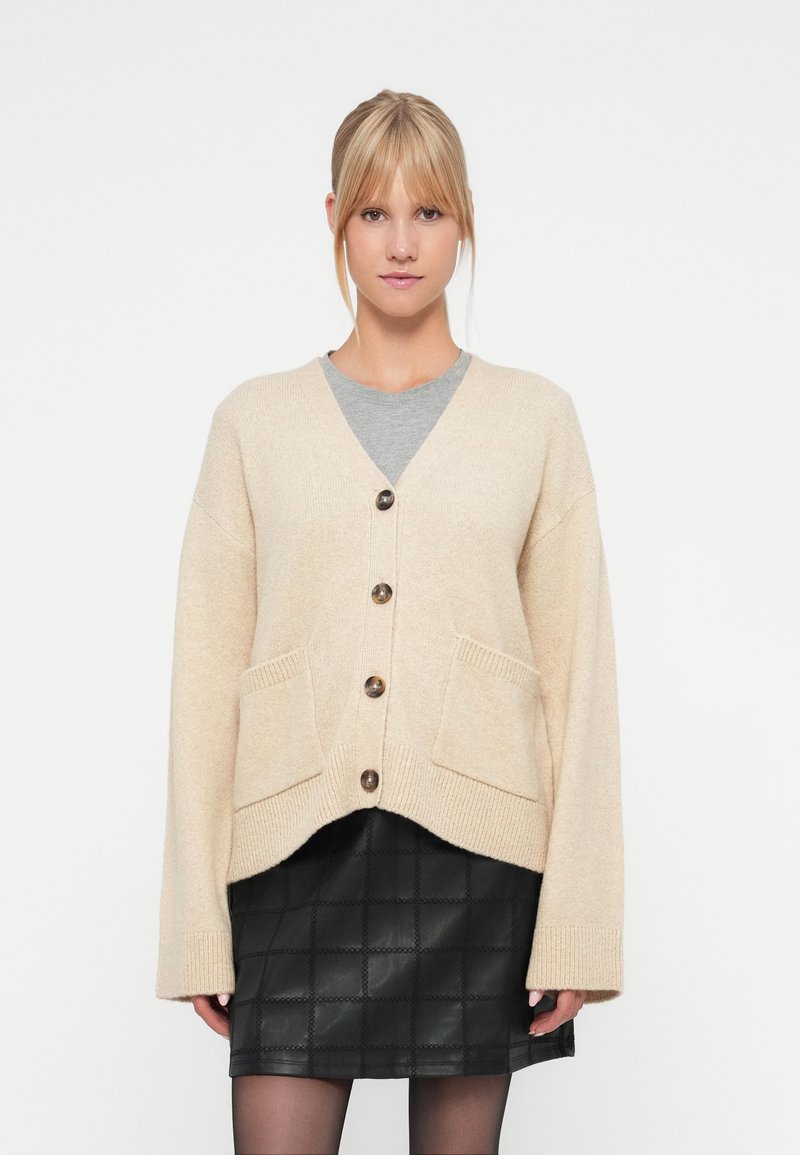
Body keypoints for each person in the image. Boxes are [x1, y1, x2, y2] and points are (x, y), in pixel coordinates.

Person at [155, 88, 624, 1155]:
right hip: (290, 859)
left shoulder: (536, 419)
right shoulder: (253, 423)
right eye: (373, 213)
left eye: (428, 213)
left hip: (479, 867)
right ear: (333, 218)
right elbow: (204, 681)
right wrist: (194, 926)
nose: (401, 243)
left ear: (464, 222)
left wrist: (578, 926)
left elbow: (578, 676)